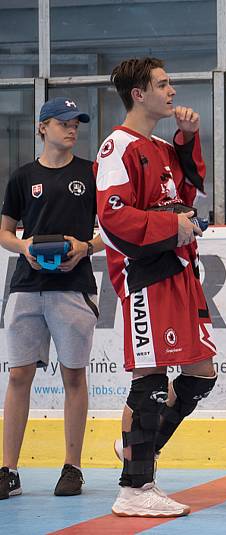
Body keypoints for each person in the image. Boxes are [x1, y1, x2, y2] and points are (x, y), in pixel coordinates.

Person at [95, 57, 218, 518]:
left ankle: (134, 447)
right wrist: (172, 227)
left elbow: (190, 193)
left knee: (201, 373)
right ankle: (134, 486)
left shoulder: (161, 147)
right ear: (139, 94)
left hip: (179, 270)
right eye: (163, 85)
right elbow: (112, 219)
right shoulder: (117, 147)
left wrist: (187, 141)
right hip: (146, 273)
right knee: (148, 379)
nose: (172, 92)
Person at [0, 98, 104, 500]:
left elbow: (109, 232)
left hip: (73, 288)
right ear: (42, 127)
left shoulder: (91, 174)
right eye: (62, 122)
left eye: (76, 122)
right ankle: (8, 469)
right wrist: (24, 247)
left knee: (74, 375)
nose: (72, 128)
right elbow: (5, 232)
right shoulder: (23, 176)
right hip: (27, 287)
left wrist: (85, 247)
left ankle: (72, 467)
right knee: (18, 375)